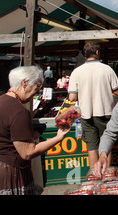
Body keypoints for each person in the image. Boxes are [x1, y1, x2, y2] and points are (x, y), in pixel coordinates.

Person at [0, 66, 70, 195]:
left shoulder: (2, 101)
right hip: (11, 172)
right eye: (36, 87)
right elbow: (27, 152)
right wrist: (58, 137)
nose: (37, 92)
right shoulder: (19, 111)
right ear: (24, 83)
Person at [68, 42, 118, 169]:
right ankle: (106, 174)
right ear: (97, 53)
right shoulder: (107, 69)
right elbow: (117, 92)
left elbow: (72, 97)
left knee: (92, 148)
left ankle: (95, 178)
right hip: (105, 112)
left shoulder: (77, 71)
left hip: (86, 114)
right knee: (106, 146)